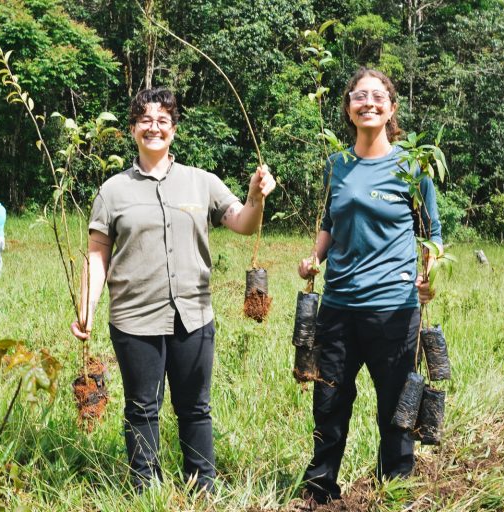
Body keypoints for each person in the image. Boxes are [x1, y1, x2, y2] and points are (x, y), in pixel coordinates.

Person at [70, 87, 276, 492]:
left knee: (195, 408)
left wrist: (255, 195)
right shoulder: (113, 191)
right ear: (132, 130)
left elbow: (243, 222)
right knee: (141, 407)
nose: (154, 127)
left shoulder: (202, 183)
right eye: (145, 120)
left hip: (194, 315)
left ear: (174, 130)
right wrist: (87, 310)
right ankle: (145, 488)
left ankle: (203, 486)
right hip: (134, 318)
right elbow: (97, 256)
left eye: (162, 120)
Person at [297, 68, 442, 506]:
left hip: (394, 308)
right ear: (348, 107)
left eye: (378, 96)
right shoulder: (336, 165)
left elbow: (432, 232)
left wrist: (428, 273)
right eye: (359, 96)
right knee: (328, 399)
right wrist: (314, 259)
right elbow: (329, 224)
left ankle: (394, 486)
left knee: (396, 403)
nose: (369, 103)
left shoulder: (412, 166)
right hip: (338, 304)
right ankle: (320, 488)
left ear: (391, 108)